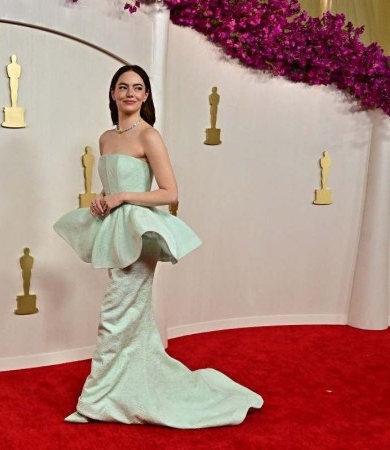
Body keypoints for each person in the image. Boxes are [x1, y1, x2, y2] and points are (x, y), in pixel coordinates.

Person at [53, 65, 263, 429]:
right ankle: (130, 388)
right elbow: (114, 185)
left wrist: (122, 198)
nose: (130, 93)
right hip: (114, 229)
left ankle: (94, 401)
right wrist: (103, 200)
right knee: (134, 319)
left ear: (146, 95)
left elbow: (170, 192)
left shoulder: (149, 136)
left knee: (116, 316)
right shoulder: (105, 138)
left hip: (140, 235)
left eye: (137, 87)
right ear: (113, 94)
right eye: (123, 87)